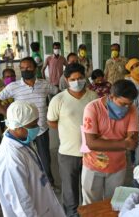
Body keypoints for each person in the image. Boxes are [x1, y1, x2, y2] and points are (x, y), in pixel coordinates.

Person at [0, 57, 58, 188]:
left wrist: (54, 113)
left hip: (41, 130)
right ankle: (31, 185)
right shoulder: (13, 87)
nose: (25, 70)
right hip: (22, 132)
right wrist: (8, 116)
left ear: (35, 68)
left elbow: (57, 94)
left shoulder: (44, 84)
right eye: (22, 68)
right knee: (25, 160)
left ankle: (49, 184)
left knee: (45, 159)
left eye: (28, 67)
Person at [0, 100, 65, 217]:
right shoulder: (10, 160)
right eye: (32, 125)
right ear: (17, 127)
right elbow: (22, 205)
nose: (37, 127)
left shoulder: (22, 140)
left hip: (42, 205)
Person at [47, 63, 97, 216]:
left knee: (90, 191)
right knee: (70, 193)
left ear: (85, 78)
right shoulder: (58, 99)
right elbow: (51, 121)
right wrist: (70, 131)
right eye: (73, 79)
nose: (77, 81)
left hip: (91, 153)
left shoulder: (93, 97)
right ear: (67, 80)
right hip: (68, 153)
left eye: (80, 78)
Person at [81, 79, 139, 205]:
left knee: (112, 205)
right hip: (93, 166)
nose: (127, 108)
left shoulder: (132, 109)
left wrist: (104, 142)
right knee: (91, 206)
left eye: (129, 104)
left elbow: (133, 142)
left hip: (118, 166)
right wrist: (124, 143)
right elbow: (91, 143)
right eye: (123, 104)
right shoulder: (92, 108)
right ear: (111, 97)